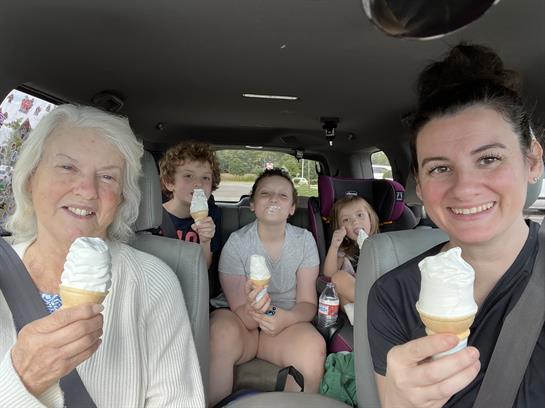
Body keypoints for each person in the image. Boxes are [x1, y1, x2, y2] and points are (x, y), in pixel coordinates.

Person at [367, 43, 545, 407]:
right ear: (419, 184)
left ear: (532, 161)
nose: (464, 188)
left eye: (489, 158)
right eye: (440, 168)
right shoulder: (392, 295)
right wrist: (401, 401)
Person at [0, 104, 205, 407]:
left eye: (108, 177)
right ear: (31, 178)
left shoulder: (154, 282)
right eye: (67, 167)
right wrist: (21, 378)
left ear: (122, 198)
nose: (87, 190)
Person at [208, 168, 325, 406]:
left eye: (283, 195)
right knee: (219, 332)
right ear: (252, 204)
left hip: (286, 325)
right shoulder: (237, 243)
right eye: (265, 194)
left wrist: (284, 318)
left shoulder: (304, 241)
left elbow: (307, 304)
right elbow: (242, 311)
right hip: (241, 323)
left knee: (314, 347)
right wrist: (259, 310)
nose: (273, 199)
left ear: (292, 208)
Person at [159, 142, 221, 269]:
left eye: (205, 178)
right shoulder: (154, 218)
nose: (198, 183)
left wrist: (205, 241)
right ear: (170, 183)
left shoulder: (211, 216)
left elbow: (204, 267)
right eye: (188, 176)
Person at [323, 195, 379, 305]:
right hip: (355, 295)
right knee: (338, 278)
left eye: (360, 215)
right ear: (340, 227)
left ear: (370, 218)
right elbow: (329, 274)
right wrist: (334, 246)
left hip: (378, 290)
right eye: (346, 220)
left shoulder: (382, 243)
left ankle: (375, 306)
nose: (355, 222)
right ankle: (369, 309)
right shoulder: (344, 249)